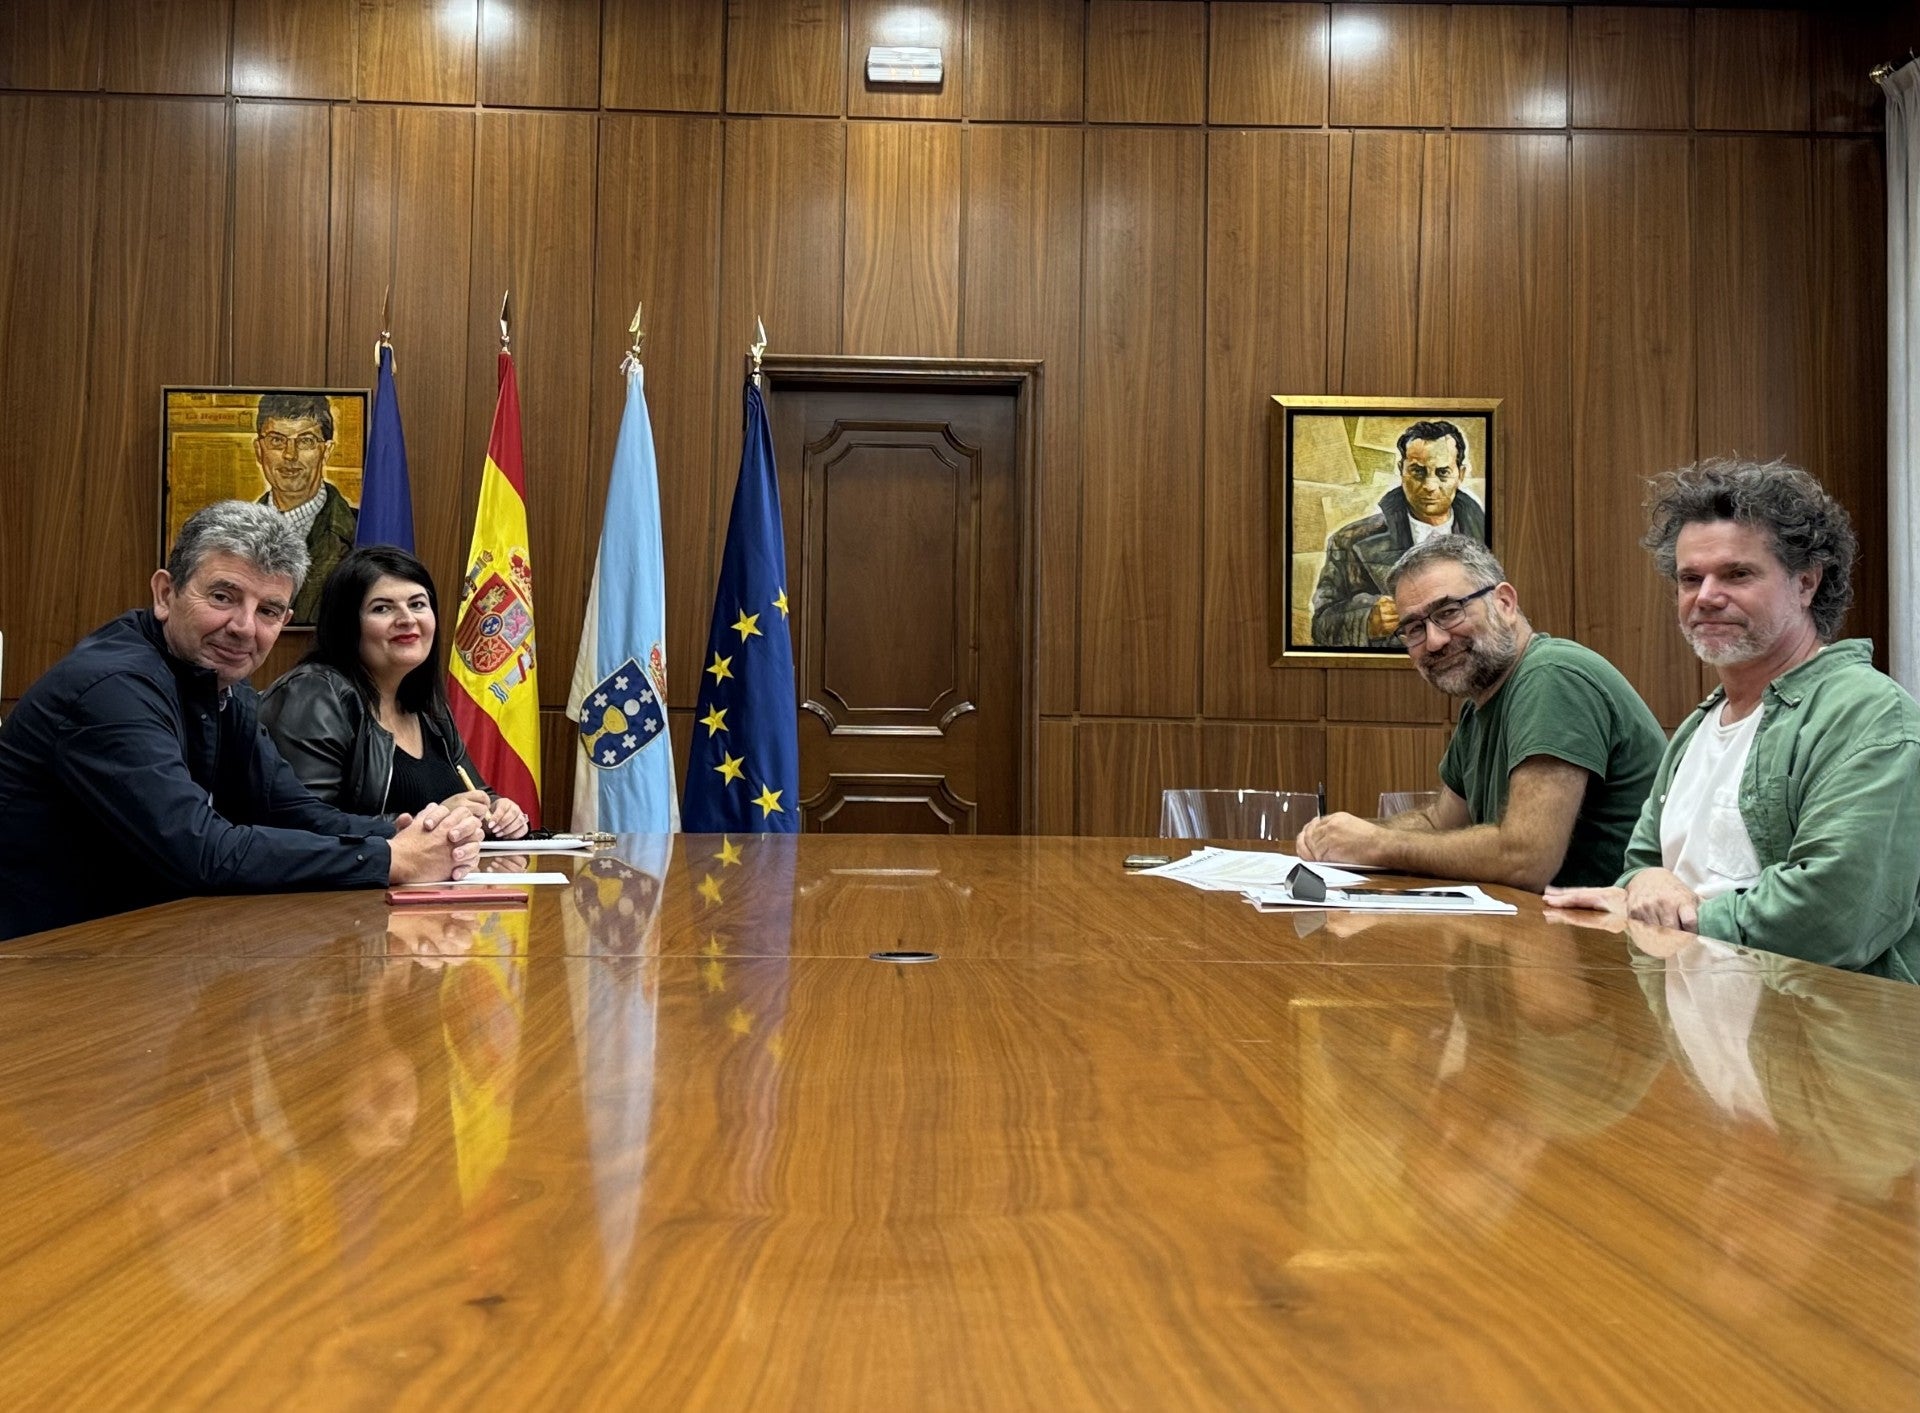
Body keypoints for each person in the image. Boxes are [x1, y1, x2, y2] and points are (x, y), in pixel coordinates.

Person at [0, 502, 482, 941]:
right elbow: (201, 851)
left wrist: (402, 831)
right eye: (223, 597)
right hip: (42, 961)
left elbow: (287, 808)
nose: (243, 627)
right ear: (166, 593)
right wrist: (391, 859)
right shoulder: (112, 688)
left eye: (268, 610)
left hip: (136, 945)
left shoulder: (223, 685)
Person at [1547, 458, 1920, 980]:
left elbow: (1838, 916)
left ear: (1806, 583)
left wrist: (1686, 918)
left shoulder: (1869, 716)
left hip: (1816, 1052)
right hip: (1702, 1051)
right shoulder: (1700, 726)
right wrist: (1646, 881)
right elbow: (1643, 862)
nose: (1705, 597)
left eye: (1737, 574)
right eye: (1690, 578)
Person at [1298, 535, 1665, 891]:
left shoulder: (1553, 676)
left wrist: (1377, 844)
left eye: (1448, 612)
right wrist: (1342, 837)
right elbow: (1438, 823)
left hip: (1614, 945)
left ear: (1504, 603)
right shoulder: (1482, 704)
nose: (1435, 641)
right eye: (1414, 628)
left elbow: (1527, 858)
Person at [260, 545, 529, 837]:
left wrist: (499, 811)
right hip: (350, 882)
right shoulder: (313, 695)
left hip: (439, 880)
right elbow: (302, 827)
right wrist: (430, 822)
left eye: (417, 604)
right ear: (348, 625)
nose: (407, 619)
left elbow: (475, 794)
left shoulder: (428, 709)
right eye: (382, 608)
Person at [1310, 419, 1489, 647]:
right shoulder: (1349, 540)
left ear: (1460, 475)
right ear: (1401, 471)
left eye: (1443, 472)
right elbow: (1319, 626)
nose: (1430, 485)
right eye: (1417, 471)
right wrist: (1366, 620)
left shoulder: (1491, 538)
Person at [253, 392, 357, 623]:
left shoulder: (362, 532)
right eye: (277, 440)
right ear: (259, 450)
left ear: (326, 451)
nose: (290, 455)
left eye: (306, 441)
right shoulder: (229, 535)